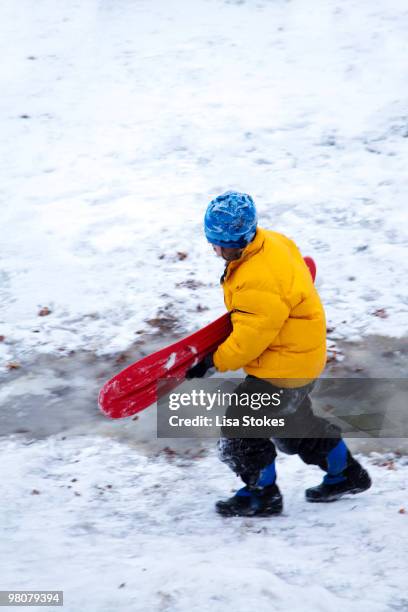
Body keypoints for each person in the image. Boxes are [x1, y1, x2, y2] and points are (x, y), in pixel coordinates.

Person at [186, 191, 371, 517]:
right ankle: (346, 474)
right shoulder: (274, 241)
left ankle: (261, 495)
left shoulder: (256, 280)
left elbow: (248, 340)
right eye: (212, 242)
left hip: (281, 369)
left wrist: (212, 362)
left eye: (221, 244)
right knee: (294, 428)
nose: (215, 250)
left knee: (241, 429)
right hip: (302, 356)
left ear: (241, 240)